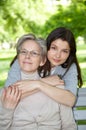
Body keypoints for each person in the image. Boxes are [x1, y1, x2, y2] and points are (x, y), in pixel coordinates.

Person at [0, 33, 77, 130]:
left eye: (34, 53)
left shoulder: (57, 88)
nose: (27, 56)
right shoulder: (9, 93)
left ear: (42, 61)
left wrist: (39, 84)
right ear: (18, 57)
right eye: (23, 52)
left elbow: (69, 125)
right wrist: (7, 109)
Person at [4, 27, 83, 107]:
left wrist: (38, 84)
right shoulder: (25, 60)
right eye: (54, 48)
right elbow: (7, 95)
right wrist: (46, 82)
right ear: (47, 46)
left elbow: (70, 101)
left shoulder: (69, 67)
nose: (58, 55)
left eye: (64, 51)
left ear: (70, 53)